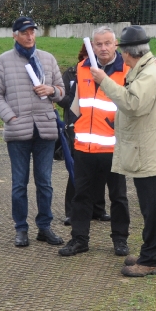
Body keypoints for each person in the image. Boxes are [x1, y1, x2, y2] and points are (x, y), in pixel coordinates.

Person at [91, 25, 156, 277]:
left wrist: (104, 81)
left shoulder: (148, 74)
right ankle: (150, 252)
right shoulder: (145, 69)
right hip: (146, 150)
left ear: (129, 52)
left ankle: (152, 259)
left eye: (121, 50)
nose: (120, 55)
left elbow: (132, 104)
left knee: (153, 208)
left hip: (147, 152)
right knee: (151, 207)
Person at [0, 16, 66, 248]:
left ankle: (45, 227)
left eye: (32, 31)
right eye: (24, 32)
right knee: (19, 184)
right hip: (18, 132)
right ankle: (21, 228)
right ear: (15, 35)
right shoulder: (3, 61)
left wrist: (51, 89)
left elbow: (62, 92)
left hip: (45, 129)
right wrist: (10, 117)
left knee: (45, 182)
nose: (30, 36)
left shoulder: (48, 59)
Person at [59, 27, 131, 258]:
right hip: (84, 146)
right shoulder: (82, 69)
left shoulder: (127, 71)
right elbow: (75, 102)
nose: (102, 48)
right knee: (81, 195)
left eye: (107, 43)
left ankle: (120, 240)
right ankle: (79, 239)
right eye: (98, 44)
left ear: (115, 44)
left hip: (113, 146)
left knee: (118, 197)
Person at [58, 43, 108, 226]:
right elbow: (61, 99)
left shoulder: (104, 72)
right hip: (76, 125)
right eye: (93, 51)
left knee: (101, 169)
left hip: (101, 127)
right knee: (77, 170)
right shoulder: (72, 72)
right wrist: (77, 95)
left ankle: (98, 209)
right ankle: (72, 211)